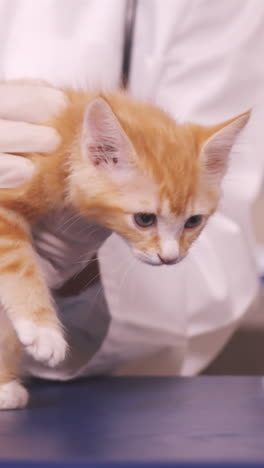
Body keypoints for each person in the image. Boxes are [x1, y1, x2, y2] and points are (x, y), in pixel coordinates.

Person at [0, 0, 263, 379]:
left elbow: (217, 267)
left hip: (105, 395)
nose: (172, 251)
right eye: (145, 218)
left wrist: (73, 274)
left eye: (191, 223)